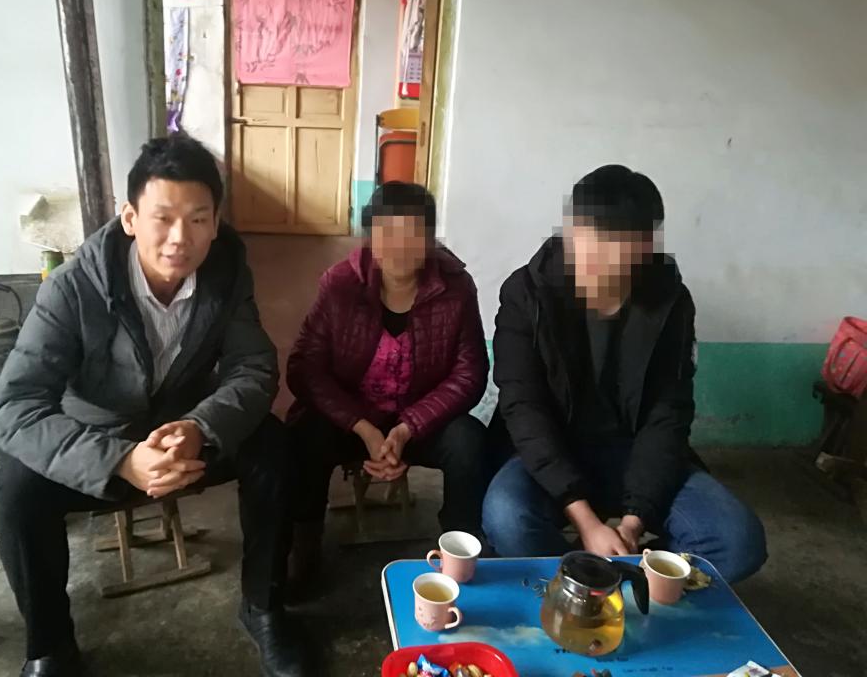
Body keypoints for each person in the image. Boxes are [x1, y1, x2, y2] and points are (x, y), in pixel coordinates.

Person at [0, 136, 306, 677]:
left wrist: (200, 427)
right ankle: (49, 649)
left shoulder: (227, 273)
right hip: (100, 442)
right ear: (131, 218)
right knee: (18, 489)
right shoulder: (72, 289)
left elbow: (252, 368)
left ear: (215, 222)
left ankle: (264, 608)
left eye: (198, 219)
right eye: (163, 218)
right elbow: (16, 408)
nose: (180, 238)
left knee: (274, 445)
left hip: (182, 439)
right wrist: (118, 459)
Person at [482, 165, 767, 584]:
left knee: (738, 542)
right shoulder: (527, 293)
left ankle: (631, 578)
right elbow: (523, 409)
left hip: (632, 452)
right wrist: (586, 523)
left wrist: (634, 521)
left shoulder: (670, 302)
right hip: (553, 450)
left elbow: (668, 414)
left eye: (610, 252)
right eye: (583, 243)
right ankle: (584, 580)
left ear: (644, 248)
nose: (589, 262)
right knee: (506, 517)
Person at [286, 182, 490, 592]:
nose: (400, 246)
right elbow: (305, 368)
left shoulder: (456, 288)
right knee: (303, 437)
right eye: (387, 232)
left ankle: (458, 549)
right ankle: (302, 546)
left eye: (413, 233)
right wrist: (363, 427)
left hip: (419, 423)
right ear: (370, 237)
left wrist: (406, 428)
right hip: (352, 420)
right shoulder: (340, 285)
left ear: (430, 239)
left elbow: (469, 373)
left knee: (469, 442)